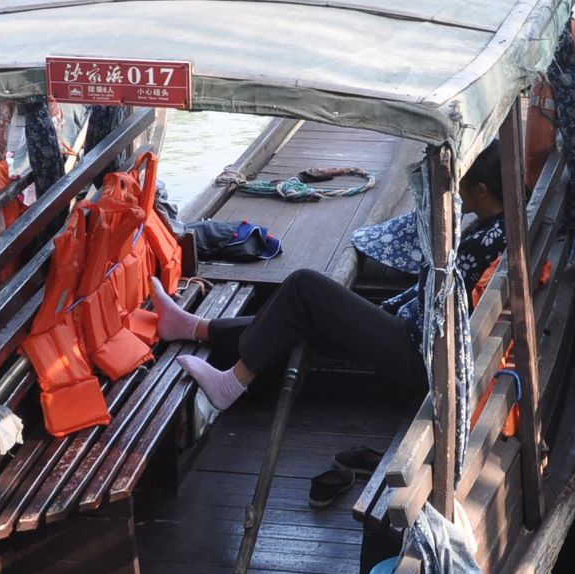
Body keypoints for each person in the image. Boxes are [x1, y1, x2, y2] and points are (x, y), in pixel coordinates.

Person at [152, 144, 509, 412]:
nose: (455, 187)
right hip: (423, 337)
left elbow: (440, 296)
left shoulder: (486, 240)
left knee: (303, 286)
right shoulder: (498, 227)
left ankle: (231, 384)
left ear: (480, 191)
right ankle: (192, 327)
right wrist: (389, 308)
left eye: (462, 182)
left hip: (418, 355)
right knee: (304, 314)